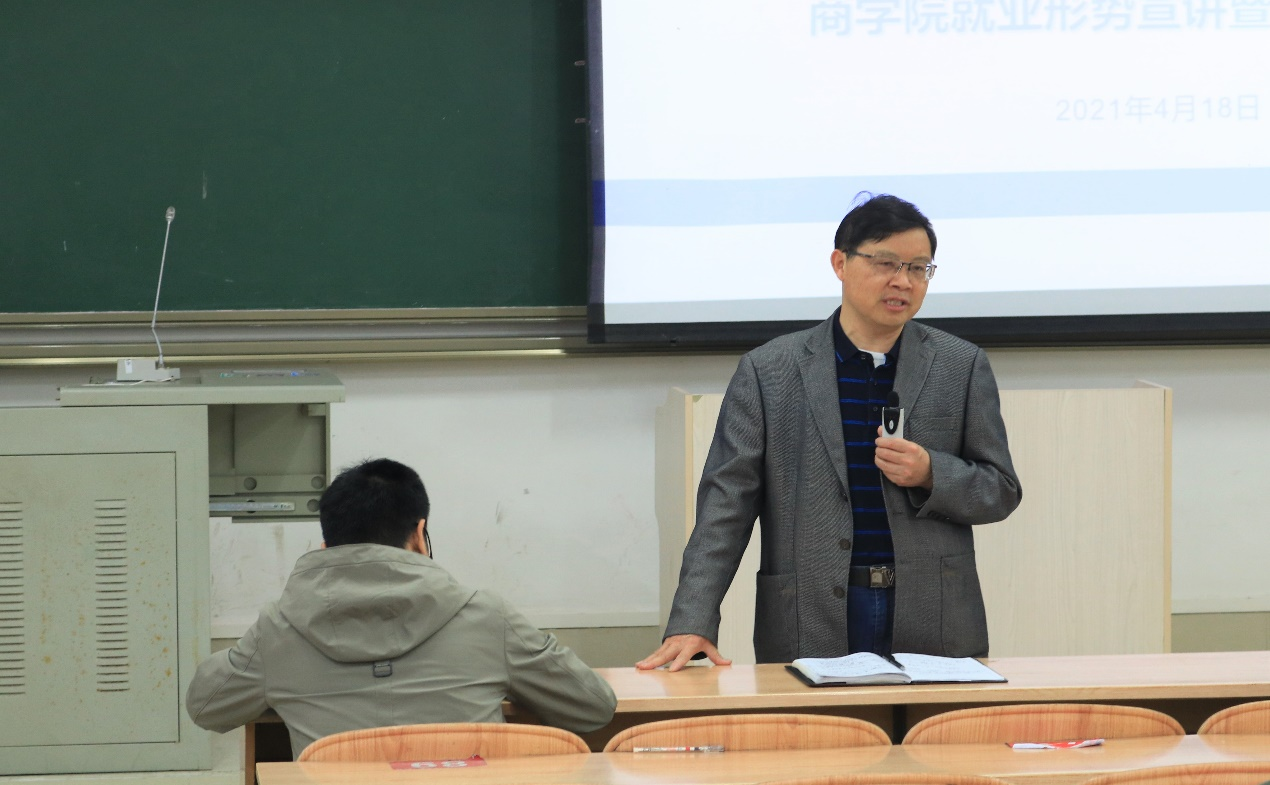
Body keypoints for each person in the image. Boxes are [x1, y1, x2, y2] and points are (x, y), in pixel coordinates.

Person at [638, 194, 1022, 671]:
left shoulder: (960, 365)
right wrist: (692, 620)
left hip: (933, 614)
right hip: (810, 614)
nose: (903, 281)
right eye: (886, 263)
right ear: (840, 263)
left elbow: (1000, 490)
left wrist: (931, 473)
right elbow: (725, 507)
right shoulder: (769, 370)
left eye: (919, 268)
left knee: (936, 725)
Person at [186, 458, 616, 755]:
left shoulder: (277, 629)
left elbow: (205, 707)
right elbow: (593, 706)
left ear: (327, 544)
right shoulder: (487, 615)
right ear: (419, 533)